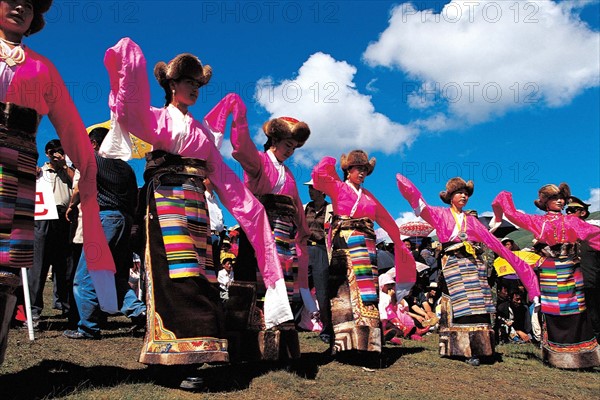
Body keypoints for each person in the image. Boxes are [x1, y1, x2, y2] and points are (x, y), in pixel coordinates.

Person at [103, 37, 292, 368]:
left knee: (203, 273)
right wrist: (130, 62)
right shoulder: (155, 117)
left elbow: (226, 182)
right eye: (187, 82)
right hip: (165, 199)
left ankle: (205, 346)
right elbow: (127, 109)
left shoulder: (202, 134)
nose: (193, 89)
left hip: (196, 205)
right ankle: (178, 351)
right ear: (171, 84)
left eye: (197, 84)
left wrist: (253, 212)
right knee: (178, 271)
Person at [0, 0, 113, 364]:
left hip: (17, 167)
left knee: (4, 271)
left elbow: (69, 126)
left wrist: (88, 169)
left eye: (29, 4)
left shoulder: (41, 67)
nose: (20, 6)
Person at [397, 175, 540, 366]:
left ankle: (481, 348)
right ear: (450, 197)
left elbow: (495, 245)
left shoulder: (472, 222)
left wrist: (526, 275)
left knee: (479, 305)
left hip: (474, 266)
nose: (464, 196)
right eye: (459, 193)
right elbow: (420, 205)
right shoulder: (439, 213)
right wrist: (407, 187)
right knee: (461, 305)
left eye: (466, 193)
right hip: (453, 264)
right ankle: (462, 349)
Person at [312, 150, 415, 357]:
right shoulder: (338, 187)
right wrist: (332, 159)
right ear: (348, 171)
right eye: (358, 169)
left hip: (367, 248)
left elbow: (386, 220)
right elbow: (318, 175)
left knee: (367, 293)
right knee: (342, 294)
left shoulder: (369, 197)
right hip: (344, 244)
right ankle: (340, 343)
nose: (362, 173)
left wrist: (397, 241)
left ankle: (368, 344)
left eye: (365, 170)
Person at [228, 115, 313, 360]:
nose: (291, 152)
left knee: (281, 280)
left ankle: (279, 347)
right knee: (257, 280)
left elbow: (297, 204)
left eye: (294, 148)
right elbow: (241, 149)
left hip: (283, 234)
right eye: (288, 145)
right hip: (259, 229)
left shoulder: (288, 174)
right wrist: (239, 116)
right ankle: (251, 346)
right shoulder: (259, 162)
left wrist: (303, 230)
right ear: (274, 140)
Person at [493, 184, 600, 368]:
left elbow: (595, 235)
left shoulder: (573, 221)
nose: (560, 201)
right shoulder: (537, 221)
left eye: (561, 198)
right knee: (552, 310)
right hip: (549, 268)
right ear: (545, 202)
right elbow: (513, 215)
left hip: (571, 268)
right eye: (554, 198)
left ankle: (582, 357)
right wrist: (502, 202)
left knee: (577, 309)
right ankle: (557, 356)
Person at [63, 127, 146, 340]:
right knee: (114, 276)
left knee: (85, 276)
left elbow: (80, 187)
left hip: (104, 220)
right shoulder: (127, 169)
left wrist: (72, 206)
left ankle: (88, 327)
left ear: (93, 144)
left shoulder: (93, 160)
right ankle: (139, 311)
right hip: (124, 221)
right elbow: (135, 200)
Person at [27, 140, 76, 324]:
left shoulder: (68, 171)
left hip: (65, 217)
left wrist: (65, 166)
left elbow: (77, 184)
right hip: (44, 216)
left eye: (61, 151)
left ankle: (64, 304)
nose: (58, 154)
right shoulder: (40, 172)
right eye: (54, 152)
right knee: (39, 263)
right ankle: (34, 308)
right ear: (48, 153)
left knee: (65, 264)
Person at [566, 195, 600, 344]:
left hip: (590, 283)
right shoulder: (563, 236)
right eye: (567, 210)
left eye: (573, 210)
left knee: (594, 317)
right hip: (568, 284)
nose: (568, 213)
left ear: (583, 213)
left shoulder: (594, 233)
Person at [303, 179, 333, 343]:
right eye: (309, 188)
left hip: (322, 250)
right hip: (305, 249)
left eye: (313, 188)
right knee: (298, 287)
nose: (310, 191)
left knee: (322, 292)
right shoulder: (305, 207)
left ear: (322, 191)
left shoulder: (330, 209)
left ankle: (327, 328)